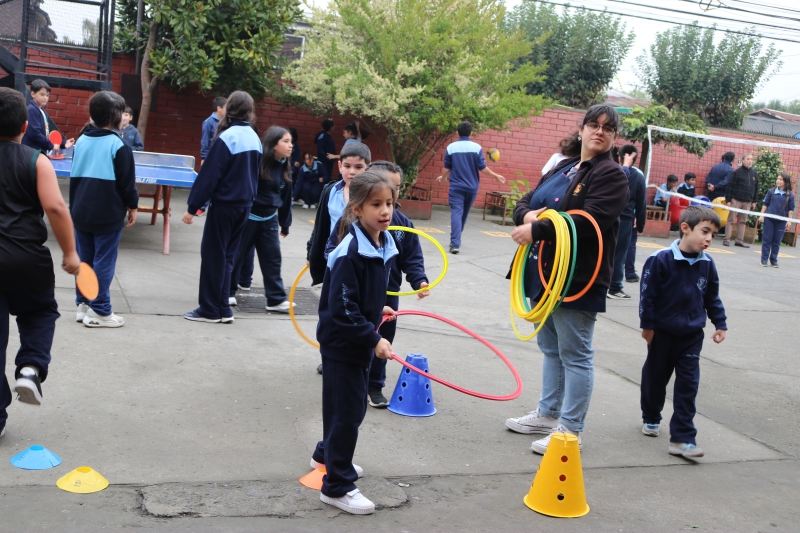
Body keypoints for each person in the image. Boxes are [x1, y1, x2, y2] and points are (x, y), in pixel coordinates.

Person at [505, 105, 628, 454]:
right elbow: (527, 201)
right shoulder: (563, 165)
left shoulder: (611, 174)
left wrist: (537, 228)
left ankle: (570, 430)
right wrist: (527, 216)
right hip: (542, 272)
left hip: (575, 277)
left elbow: (590, 221)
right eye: (593, 125)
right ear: (582, 129)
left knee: (575, 354)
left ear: (614, 137)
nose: (599, 131)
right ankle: (548, 414)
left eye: (607, 128)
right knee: (551, 348)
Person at [313, 171, 399, 515]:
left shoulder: (381, 242)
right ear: (357, 209)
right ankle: (336, 486)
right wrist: (373, 337)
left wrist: (378, 309)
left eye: (389, 203)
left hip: (356, 342)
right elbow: (343, 308)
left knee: (350, 410)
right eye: (376, 204)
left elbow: (361, 297)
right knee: (346, 414)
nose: (385, 210)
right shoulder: (350, 251)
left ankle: (327, 455)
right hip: (342, 344)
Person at [0, 87, 81, 439]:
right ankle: (31, 368)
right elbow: (56, 208)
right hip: (26, 259)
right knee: (39, 313)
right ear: (24, 125)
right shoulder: (36, 160)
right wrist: (70, 253)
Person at [325, 161, 430, 408]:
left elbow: (412, 256)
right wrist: (331, 266)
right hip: (355, 296)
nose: (386, 207)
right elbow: (332, 250)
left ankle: (374, 385)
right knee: (359, 338)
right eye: (377, 201)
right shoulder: (350, 231)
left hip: (385, 294)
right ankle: (348, 375)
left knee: (383, 338)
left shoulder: (401, 225)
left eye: (393, 192)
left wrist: (419, 279)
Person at [639, 206, 726, 458]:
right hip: (661, 333)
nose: (709, 239)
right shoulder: (660, 259)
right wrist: (647, 327)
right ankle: (651, 415)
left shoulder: (707, 264)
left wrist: (720, 323)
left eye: (713, 234)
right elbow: (647, 296)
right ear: (685, 228)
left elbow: (712, 297)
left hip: (691, 336)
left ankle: (682, 438)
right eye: (705, 231)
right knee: (655, 378)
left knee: (688, 385)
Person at [182, 91, 261, 324]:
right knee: (227, 257)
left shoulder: (228, 137)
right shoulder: (254, 137)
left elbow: (209, 176)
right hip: (245, 205)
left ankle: (210, 310)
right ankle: (223, 308)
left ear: (229, 108)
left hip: (225, 205)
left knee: (213, 256)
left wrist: (193, 206)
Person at [70, 91, 139, 328]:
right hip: (107, 213)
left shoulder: (81, 140)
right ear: (115, 116)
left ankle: (83, 305)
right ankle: (99, 309)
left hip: (81, 211)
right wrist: (133, 206)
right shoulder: (119, 145)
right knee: (103, 262)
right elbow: (127, 184)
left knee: (85, 261)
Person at [229, 126, 294, 313]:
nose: (291, 145)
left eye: (291, 142)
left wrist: (285, 223)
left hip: (269, 219)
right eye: (286, 141)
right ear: (273, 144)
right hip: (248, 218)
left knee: (272, 258)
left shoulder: (285, 167)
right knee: (237, 256)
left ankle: (276, 299)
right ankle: (227, 292)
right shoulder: (257, 163)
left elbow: (286, 198)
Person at [306, 142, 371, 287]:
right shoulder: (330, 191)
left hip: (360, 261)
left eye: (358, 167)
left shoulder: (373, 197)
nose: (352, 172)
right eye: (347, 166)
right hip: (333, 258)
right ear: (340, 166)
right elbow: (320, 225)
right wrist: (311, 252)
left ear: (368, 168)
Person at [436, 120, 506, 254]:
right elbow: (482, 168)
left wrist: (443, 178)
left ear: (457, 133)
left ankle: (455, 242)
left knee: (457, 213)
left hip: (456, 187)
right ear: (471, 133)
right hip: (472, 187)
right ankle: (456, 239)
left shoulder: (451, 148)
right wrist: (495, 176)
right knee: (464, 213)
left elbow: (447, 168)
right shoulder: (476, 148)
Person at [608, 144, 646, 299]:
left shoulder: (610, 170)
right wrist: (641, 224)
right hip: (624, 219)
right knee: (619, 254)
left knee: (607, 251)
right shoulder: (637, 176)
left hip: (609, 216)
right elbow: (641, 203)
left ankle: (605, 285)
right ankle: (614, 287)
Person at [21, 79, 75, 154]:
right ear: (33, 94)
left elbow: (46, 134)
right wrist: (51, 146)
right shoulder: (32, 110)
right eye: (42, 95)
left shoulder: (41, 111)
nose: (45, 98)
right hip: (31, 154)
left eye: (47, 95)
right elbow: (35, 134)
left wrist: (63, 143)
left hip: (38, 153)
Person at [759, 172, 795, 267]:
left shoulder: (790, 195)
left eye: (780, 179)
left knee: (777, 241)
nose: (778, 181)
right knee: (767, 239)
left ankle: (774, 260)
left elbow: (791, 209)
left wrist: (789, 220)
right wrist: (762, 215)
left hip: (781, 221)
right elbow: (765, 204)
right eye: (777, 179)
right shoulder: (771, 191)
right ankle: (764, 259)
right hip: (769, 219)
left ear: (785, 182)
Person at [723, 153, 759, 248]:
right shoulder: (737, 172)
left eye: (751, 159)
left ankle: (739, 240)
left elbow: (756, 188)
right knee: (731, 220)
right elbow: (730, 186)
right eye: (748, 159)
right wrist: (728, 200)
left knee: (743, 221)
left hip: (747, 201)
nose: (750, 161)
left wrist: (754, 201)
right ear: (743, 160)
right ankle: (727, 239)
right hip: (736, 200)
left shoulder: (754, 173)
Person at [200, 96, 227, 164]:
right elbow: (205, 142)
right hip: (211, 158)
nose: (227, 110)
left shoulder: (226, 122)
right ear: (219, 108)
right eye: (226, 108)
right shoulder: (208, 123)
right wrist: (204, 158)